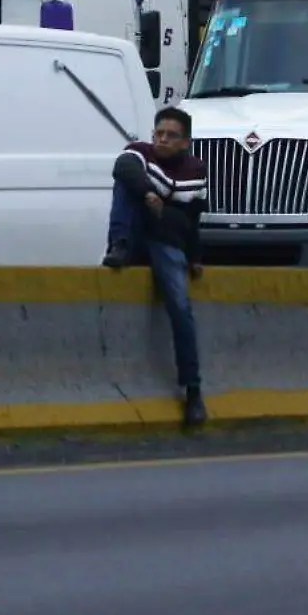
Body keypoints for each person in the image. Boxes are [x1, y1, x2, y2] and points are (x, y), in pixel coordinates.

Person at [102, 106, 209, 429]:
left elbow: (190, 221)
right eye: (159, 133)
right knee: (125, 187)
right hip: (135, 238)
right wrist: (150, 194)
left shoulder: (196, 171)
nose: (162, 140)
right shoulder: (139, 153)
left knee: (179, 306)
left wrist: (195, 256)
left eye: (171, 135)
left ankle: (192, 390)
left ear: (186, 142)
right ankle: (118, 245)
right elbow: (123, 167)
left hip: (167, 244)